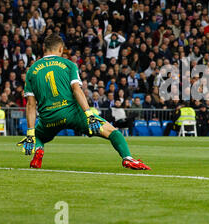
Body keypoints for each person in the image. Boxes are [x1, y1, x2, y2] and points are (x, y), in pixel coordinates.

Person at [17, 34, 150, 170]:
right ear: (61, 49)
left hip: (48, 118)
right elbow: (76, 89)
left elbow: (31, 105)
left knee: (38, 135)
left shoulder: (32, 70)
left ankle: (39, 150)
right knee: (113, 133)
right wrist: (89, 114)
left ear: (44, 48)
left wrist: (30, 132)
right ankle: (127, 158)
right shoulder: (68, 64)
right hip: (73, 114)